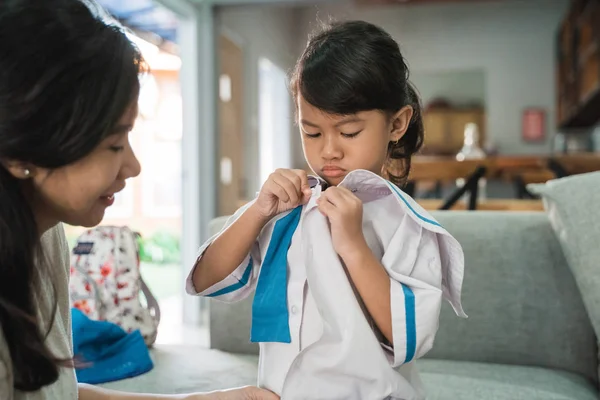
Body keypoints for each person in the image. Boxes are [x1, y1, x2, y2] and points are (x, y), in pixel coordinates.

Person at [0, 1, 278, 399]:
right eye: (114, 144)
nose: (133, 166)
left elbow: (58, 392)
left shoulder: (45, 237)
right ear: (20, 153)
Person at [187, 20, 466, 399]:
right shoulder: (288, 209)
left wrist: (353, 246)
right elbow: (206, 281)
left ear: (397, 124)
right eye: (312, 132)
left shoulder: (407, 225)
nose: (329, 150)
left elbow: (406, 336)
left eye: (349, 132)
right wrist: (256, 212)